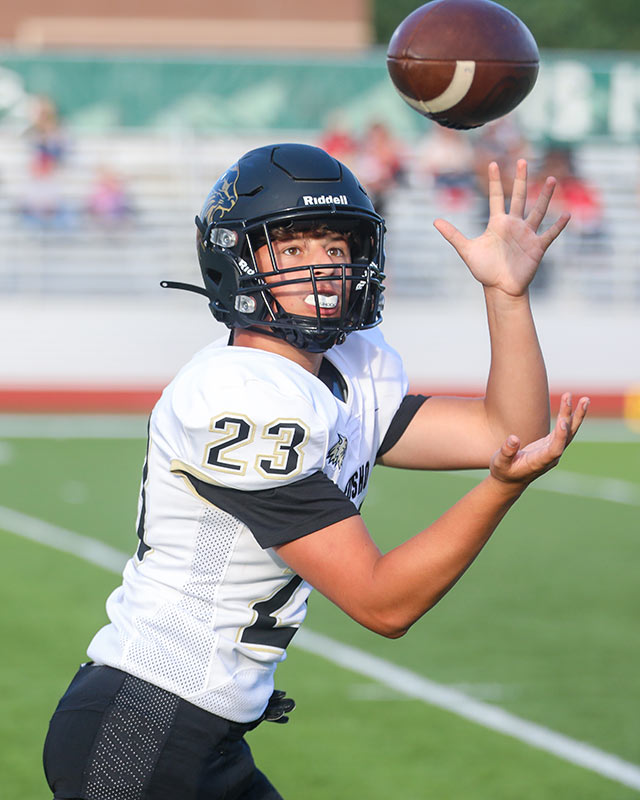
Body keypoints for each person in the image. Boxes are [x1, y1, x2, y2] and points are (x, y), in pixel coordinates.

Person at [43, 143, 588, 800]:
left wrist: (506, 295)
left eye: (335, 248)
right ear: (237, 260)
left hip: (202, 736)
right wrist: (501, 488)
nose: (323, 268)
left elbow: (510, 432)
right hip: (141, 728)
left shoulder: (348, 370)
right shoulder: (237, 396)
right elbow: (383, 602)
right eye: (293, 249)